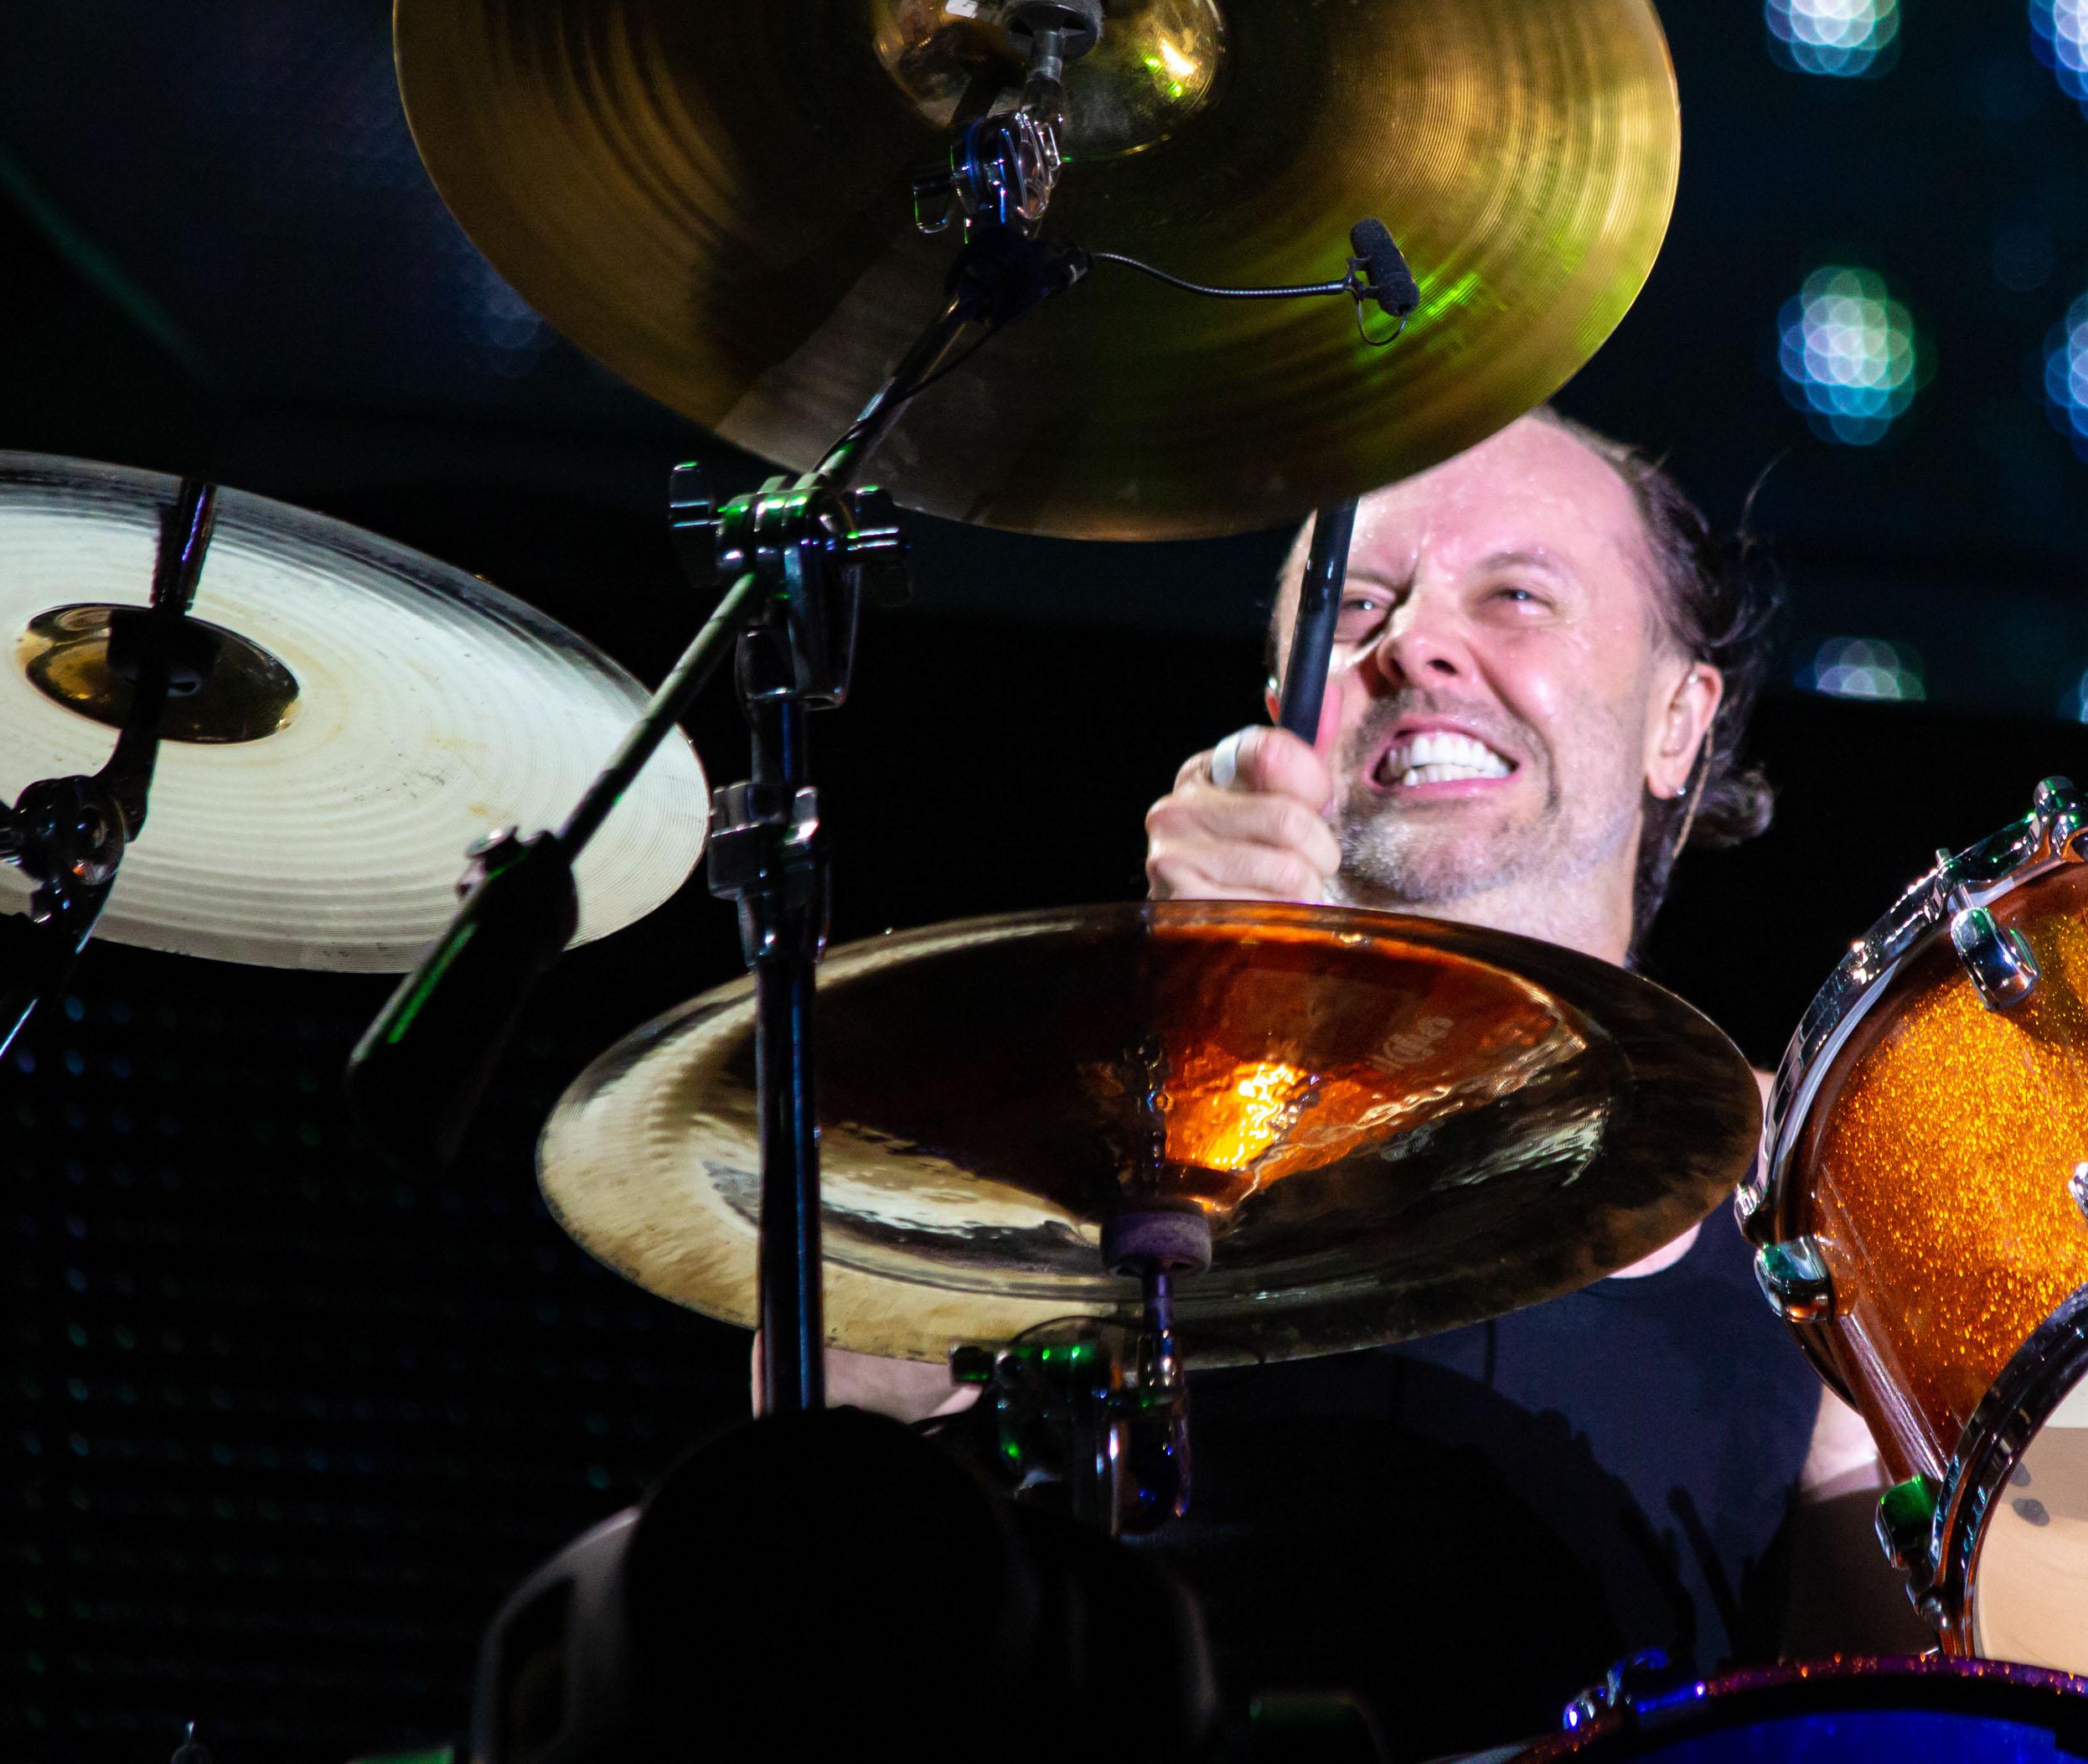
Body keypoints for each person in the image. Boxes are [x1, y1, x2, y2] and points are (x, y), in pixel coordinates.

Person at [823, 406, 1920, 1752]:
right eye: (1353, 607)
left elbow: (1890, 1709)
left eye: (1515, 596)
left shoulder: (1811, 1182)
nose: (1415, 645)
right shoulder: (1101, 1076)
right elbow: (819, 1438)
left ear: (1678, 722)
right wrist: (1172, 1024)